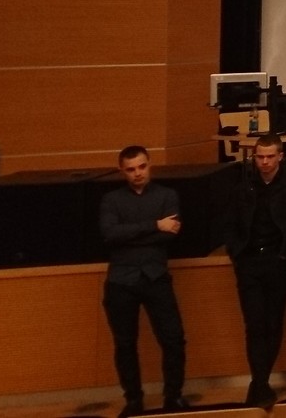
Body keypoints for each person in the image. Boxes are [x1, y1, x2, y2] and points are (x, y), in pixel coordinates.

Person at [99, 145, 189, 417]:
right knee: (125, 344)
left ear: (149, 164)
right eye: (131, 169)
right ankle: (133, 400)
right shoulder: (111, 200)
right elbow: (110, 234)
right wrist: (154, 225)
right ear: (122, 171)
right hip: (121, 281)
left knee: (173, 339)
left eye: (142, 166)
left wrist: (132, 234)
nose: (137, 173)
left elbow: (170, 234)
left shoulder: (167, 195)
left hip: (156, 277)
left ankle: (173, 396)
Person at [224, 133, 286, 405]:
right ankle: (260, 383)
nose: (264, 162)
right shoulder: (243, 187)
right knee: (254, 324)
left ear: (280, 156)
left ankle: (259, 383)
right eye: (260, 157)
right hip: (249, 262)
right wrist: (236, 253)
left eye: (270, 156)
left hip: (278, 260)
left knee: (273, 323)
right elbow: (230, 222)